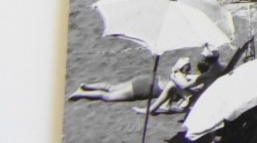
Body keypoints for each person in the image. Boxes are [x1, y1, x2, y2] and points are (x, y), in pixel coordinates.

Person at [68, 56, 199, 114]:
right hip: (142, 89)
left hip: (146, 80)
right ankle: (81, 93)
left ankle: (87, 85)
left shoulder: (177, 75)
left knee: (112, 86)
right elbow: (172, 104)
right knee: (109, 96)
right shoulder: (181, 84)